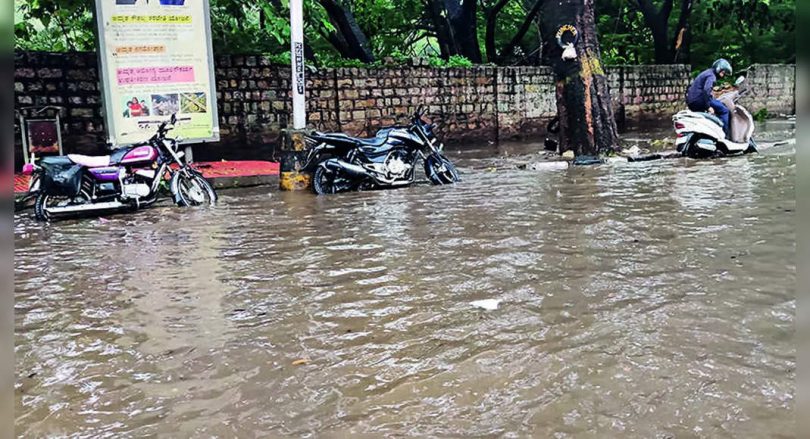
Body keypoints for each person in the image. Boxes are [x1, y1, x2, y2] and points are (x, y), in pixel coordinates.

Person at [686, 59, 733, 137]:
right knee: (724, 110)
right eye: (723, 72)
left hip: (693, 101)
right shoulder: (711, 75)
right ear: (719, 69)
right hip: (699, 100)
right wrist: (708, 106)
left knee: (716, 106)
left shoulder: (707, 73)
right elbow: (706, 90)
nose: (723, 75)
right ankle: (724, 135)